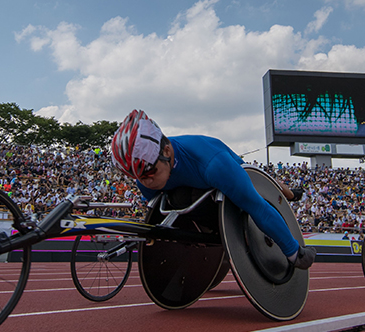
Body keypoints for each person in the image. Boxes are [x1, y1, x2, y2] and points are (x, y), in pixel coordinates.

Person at [109, 110, 315, 269]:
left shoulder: (214, 165)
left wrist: (294, 253)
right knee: (180, 197)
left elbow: (258, 208)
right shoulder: (144, 179)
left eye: (150, 172)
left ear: (167, 151)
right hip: (196, 184)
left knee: (262, 188)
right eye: (137, 177)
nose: (145, 182)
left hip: (223, 162)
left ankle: (292, 193)